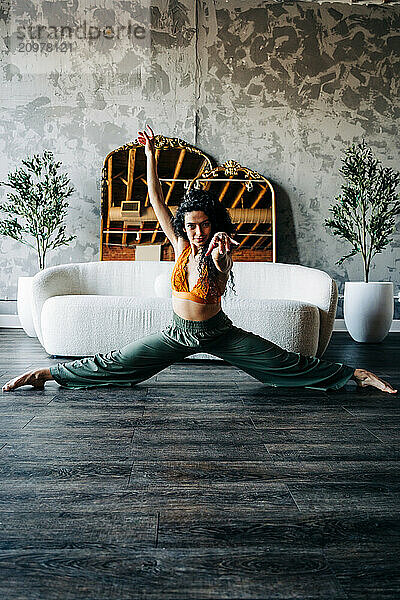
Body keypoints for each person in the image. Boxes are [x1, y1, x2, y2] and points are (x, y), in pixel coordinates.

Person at [2, 125, 397, 395]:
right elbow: (156, 198)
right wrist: (150, 156)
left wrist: (222, 259)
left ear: (213, 224)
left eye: (203, 225)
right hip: (177, 332)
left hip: (218, 333)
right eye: (190, 225)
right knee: (118, 365)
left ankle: (355, 375)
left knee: (281, 367)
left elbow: (221, 278)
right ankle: (47, 374)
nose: (196, 232)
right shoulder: (179, 245)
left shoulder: (221, 250)